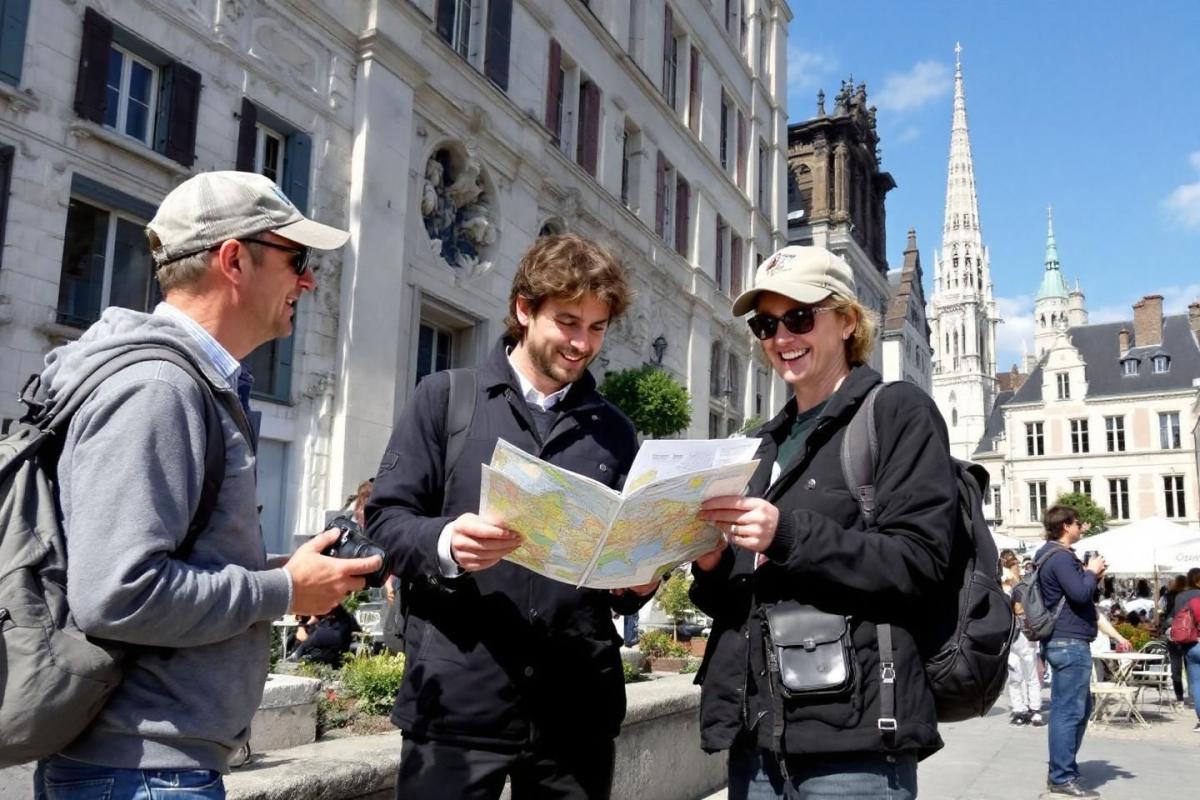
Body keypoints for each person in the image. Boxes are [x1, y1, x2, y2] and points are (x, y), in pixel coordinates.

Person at [32, 171, 381, 799]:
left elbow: (156, 564)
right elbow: (117, 593)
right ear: (234, 259)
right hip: (140, 772)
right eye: (297, 259)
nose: (308, 280)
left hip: (146, 768)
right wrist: (280, 590)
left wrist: (288, 576)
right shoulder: (159, 390)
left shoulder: (184, 383)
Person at [365, 233, 658, 799]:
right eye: (568, 322)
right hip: (457, 701)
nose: (582, 343)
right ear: (525, 310)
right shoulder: (445, 398)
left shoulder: (616, 431)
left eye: (597, 328)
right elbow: (385, 519)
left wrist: (637, 581)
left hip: (575, 710)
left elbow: (623, 557)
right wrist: (446, 542)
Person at [689, 246, 958, 799]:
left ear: (848, 320)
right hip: (756, 737)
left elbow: (922, 561)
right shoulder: (757, 444)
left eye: (800, 317)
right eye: (766, 324)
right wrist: (712, 566)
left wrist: (785, 533)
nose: (782, 337)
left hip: (853, 744)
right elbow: (743, 598)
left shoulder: (895, 411)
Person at [1036, 505, 1108, 798]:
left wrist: (1094, 576)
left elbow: (1078, 594)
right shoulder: (1061, 558)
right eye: (1078, 523)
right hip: (1069, 641)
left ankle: (1063, 769)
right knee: (1069, 711)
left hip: (1064, 640)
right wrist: (1090, 572)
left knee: (1078, 708)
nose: (1082, 527)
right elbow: (1080, 594)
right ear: (1066, 525)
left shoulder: (1047, 555)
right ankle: (1062, 775)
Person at [1001, 550, 1044, 727]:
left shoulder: (1024, 585)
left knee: (1030, 673)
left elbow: (1020, 609)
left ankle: (1034, 708)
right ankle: (1019, 709)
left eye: (1015, 565)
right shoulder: (1003, 585)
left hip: (1025, 634)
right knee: (1015, 675)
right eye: (1012, 566)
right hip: (1011, 636)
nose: (1016, 568)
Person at [292, 605, 361, 666]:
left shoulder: (339, 619)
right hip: (323, 653)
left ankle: (296, 655)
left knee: (318, 634)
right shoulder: (324, 620)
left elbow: (305, 637)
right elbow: (301, 636)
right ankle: (295, 654)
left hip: (329, 654)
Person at [1161, 574, 1190, 707]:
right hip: (1189, 633)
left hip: (1173, 633)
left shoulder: (1168, 596)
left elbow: (1162, 612)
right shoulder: (1190, 596)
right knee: (1191, 666)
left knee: (1176, 665)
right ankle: (1193, 693)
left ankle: (1179, 698)